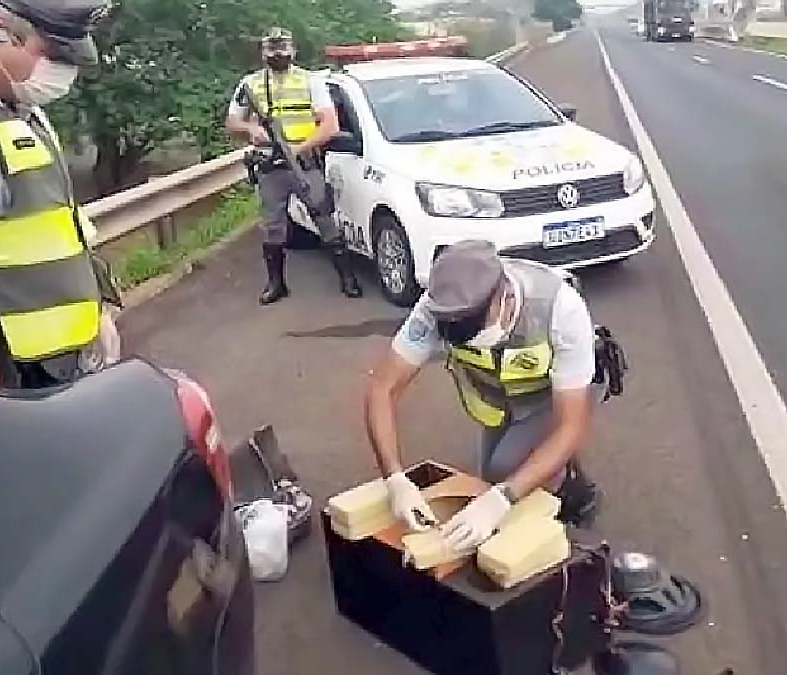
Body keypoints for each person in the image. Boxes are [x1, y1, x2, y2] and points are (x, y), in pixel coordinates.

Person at [364, 240, 604, 554]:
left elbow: (571, 426)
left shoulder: (560, 309)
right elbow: (383, 387)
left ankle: (572, 497)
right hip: (500, 399)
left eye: (476, 326)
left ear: (504, 296)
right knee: (492, 476)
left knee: (503, 474)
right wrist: (394, 478)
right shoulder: (438, 308)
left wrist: (502, 498)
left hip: (556, 395)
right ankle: (554, 473)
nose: (470, 338)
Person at [0, 0, 119, 388]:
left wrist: (98, 314)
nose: (63, 71)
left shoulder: (25, 113)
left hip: (69, 362)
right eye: (53, 53)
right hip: (17, 378)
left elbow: (59, 225)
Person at [225, 27, 362, 305]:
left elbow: (330, 125)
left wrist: (298, 149)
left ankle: (348, 279)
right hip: (270, 167)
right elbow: (231, 122)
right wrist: (251, 128)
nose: (278, 55)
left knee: (324, 217)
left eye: (282, 49)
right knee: (273, 226)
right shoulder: (250, 85)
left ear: (293, 51)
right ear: (264, 53)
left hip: (304, 162)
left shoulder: (310, 81)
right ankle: (276, 284)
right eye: (272, 50)